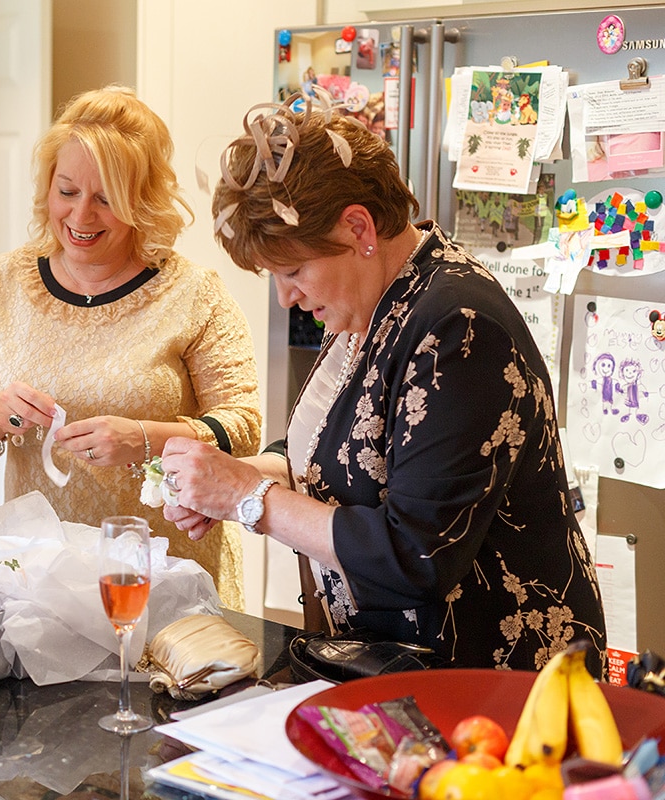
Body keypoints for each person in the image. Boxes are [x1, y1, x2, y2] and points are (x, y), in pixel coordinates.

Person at [159, 91, 607, 671]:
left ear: (357, 228)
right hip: (398, 663)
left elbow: (414, 553)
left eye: (292, 271)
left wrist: (248, 499)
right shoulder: (372, 298)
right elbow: (332, 451)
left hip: (490, 679)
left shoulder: (457, 327)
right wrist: (239, 480)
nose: (285, 296)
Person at [0, 85, 261, 610]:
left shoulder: (194, 293)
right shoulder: (1, 282)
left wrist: (145, 439)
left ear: (142, 203)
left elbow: (244, 428)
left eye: (106, 199)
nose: (81, 216)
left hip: (166, 577)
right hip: (41, 578)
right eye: (67, 191)